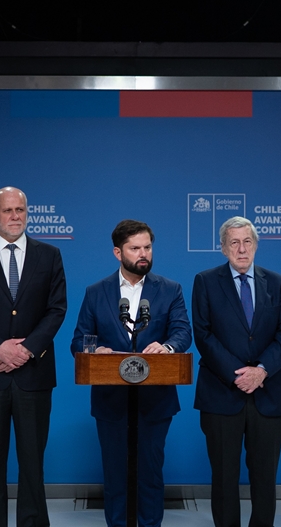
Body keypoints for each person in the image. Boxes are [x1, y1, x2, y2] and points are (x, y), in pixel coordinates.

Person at [0, 186, 67, 527]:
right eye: (8, 211)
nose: (15, 216)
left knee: (32, 461)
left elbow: (56, 309)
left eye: (20, 209)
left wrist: (25, 350)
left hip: (34, 374)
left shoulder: (49, 255)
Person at [70, 219, 192, 527]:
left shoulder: (170, 289)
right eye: (135, 248)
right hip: (112, 401)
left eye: (147, 247)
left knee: (150, 473)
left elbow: (181, 332)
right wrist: (93, 350)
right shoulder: (96, 292)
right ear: (117, 252)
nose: (143, 254)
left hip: (155, 400)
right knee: (115, 474)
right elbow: (79, 339)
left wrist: (167, 348)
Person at [192, 216, 281, 527]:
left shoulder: (276, 283)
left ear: (256, 246)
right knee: (224, 477)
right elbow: (203, 335)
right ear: (223, 248)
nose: (241, 248)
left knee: (265, 478)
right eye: (233, 242)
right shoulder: (205, 281)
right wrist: (240, 375)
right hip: (222, 394)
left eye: (247, 241)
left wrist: (261, 371)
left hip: (268, 395)